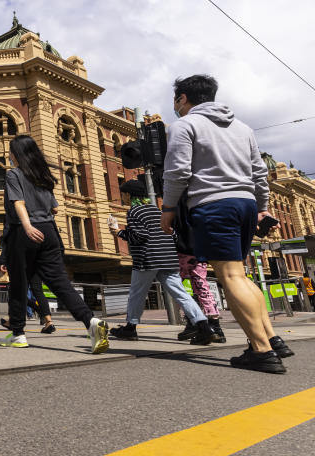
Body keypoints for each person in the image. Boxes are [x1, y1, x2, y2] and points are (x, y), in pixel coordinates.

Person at [161, 74, 292, 374]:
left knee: (229, 276)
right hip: (245, 205)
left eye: (175, 101)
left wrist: (168, 208)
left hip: (213, 205)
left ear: (182, 99)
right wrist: (262, 208)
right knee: (241, 275)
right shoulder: (243, 128)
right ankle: (272, 338)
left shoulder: (184, 125)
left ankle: (262, 351)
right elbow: (259, 173)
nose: (175, 106)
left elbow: (178, 172)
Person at [0, 135, 109, 353]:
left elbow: (18, 203)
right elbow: (55, 209)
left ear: (18, 154)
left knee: (19, 285)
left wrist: (28, 226)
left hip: (24, 232)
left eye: (11, 152)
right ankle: (91, 322)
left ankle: (18, 333)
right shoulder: (43, 176)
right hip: (49, 231)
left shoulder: (14, 175)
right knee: (60, 283)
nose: (10, 156)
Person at [108, 180, 217, 344]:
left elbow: (140, 236)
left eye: (123, 194)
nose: (122, 197)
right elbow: (172, 235)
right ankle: (204, 327)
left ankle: (130, 328)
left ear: (129, 195)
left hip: (148, 259)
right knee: (181, 293)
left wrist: (118, 232)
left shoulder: (135, 212)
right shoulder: (156, 211)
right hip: (168, 259)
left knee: (137, 294)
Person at [174, 197, 225, 342]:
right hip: (200, 252)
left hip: (182, 252)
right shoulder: (202, 203)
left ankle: (192, 322)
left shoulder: (175, 204)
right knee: (202, 287)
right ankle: (216, 327)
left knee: (178, 288)